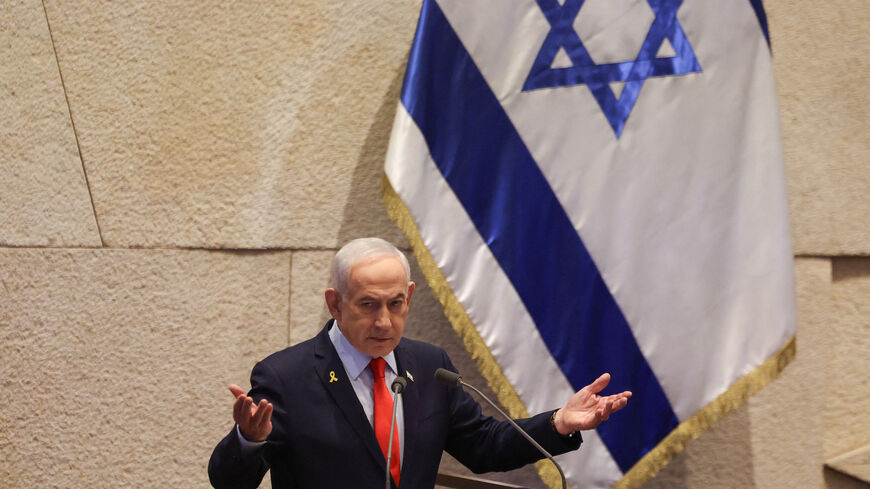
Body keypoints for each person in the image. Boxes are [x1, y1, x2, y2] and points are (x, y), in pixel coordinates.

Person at [208, 238, 631, 489]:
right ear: (334, 303)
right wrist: (250, 440)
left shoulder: (430, 366)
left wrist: (559, 421)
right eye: (368, 305)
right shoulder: (285, 376)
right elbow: (228, 482)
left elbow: (484, 446)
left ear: (409, 296)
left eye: (395, 304)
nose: (384, 321)